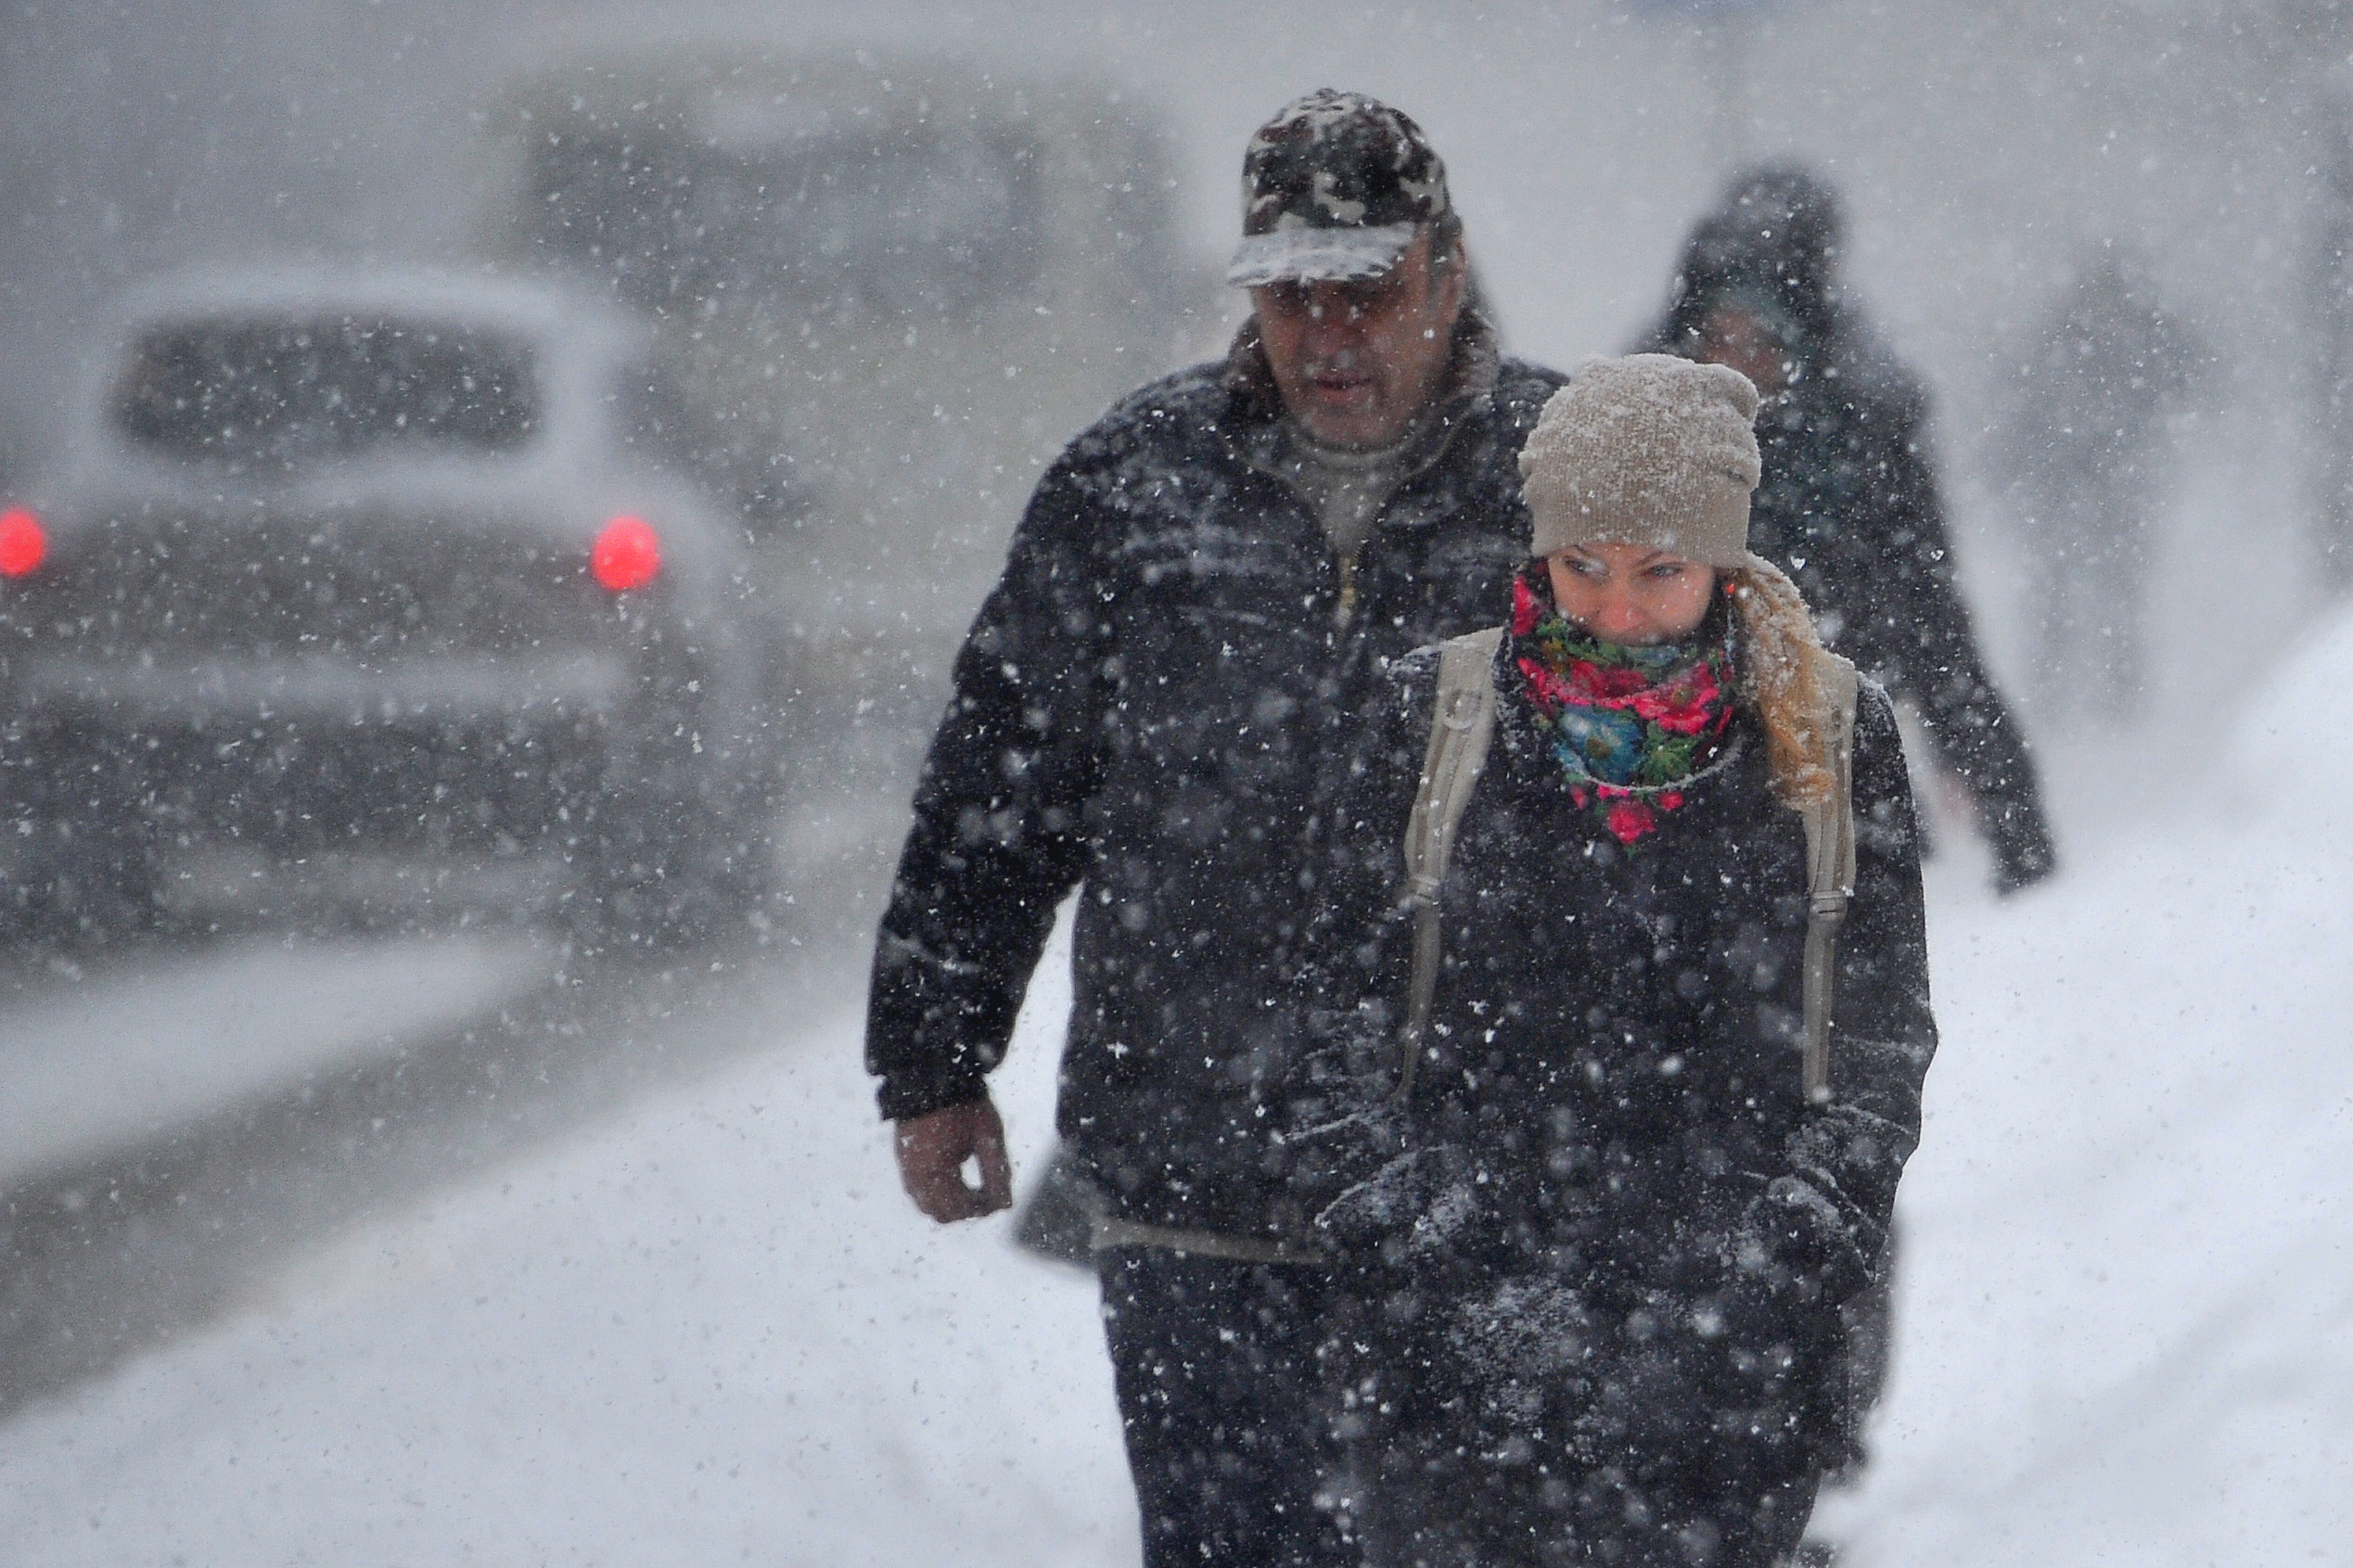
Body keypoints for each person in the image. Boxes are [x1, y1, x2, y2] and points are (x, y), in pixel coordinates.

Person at [864, 89, 1567, 1567]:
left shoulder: (1562, 495)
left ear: (1443, 272)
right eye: (1289, 294)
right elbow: (1000, 785)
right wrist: (933, 1057)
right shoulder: (1133, 490)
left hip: (1481, 1188)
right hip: (1196, 1175)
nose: (1327, 335)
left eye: (1366, 291)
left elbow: (1687, 820)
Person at [1285, 355, 1939, 1567]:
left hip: (1729, 1346)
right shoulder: (1433, 715)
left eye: (1660, 571)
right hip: (1455, 1329)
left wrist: (1798, 1235)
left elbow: (1879, 1024)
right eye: (1581, 564)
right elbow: (1331, 994)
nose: (1616, 609)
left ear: (1723, 567)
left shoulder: (1833, 733)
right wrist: (1398, 1217)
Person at [1644, 162, 2057, 894]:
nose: (1736, 365)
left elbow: (1936, 633)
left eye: (1759, 343)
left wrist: (2015, 835)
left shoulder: (1869, 428)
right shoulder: (1643, 419)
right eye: (1719, 339)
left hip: (1838, 760)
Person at [1996, 249, 2204, 717]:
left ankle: (2106, 685)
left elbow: (2019, 405)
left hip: (2095, 484)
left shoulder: (2077, 342)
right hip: (2081, 483)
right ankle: (2087, 685)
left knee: (2102, 586)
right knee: (2077, 586)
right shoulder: (2123, 344)